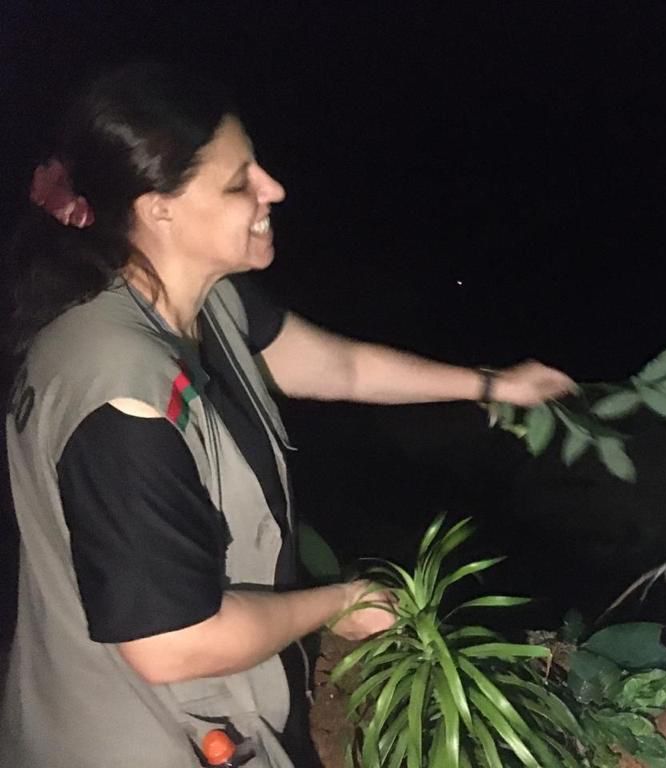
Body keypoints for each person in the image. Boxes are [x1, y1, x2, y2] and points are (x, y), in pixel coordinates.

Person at [0, 62, 575, 768]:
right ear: (160, 208)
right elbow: (173, 641)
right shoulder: (123, 391)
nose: (274, 189)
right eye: (241, 180)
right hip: (137, 742)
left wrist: (494, 385)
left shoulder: (201, 305)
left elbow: (343, 368)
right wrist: (340, 602)